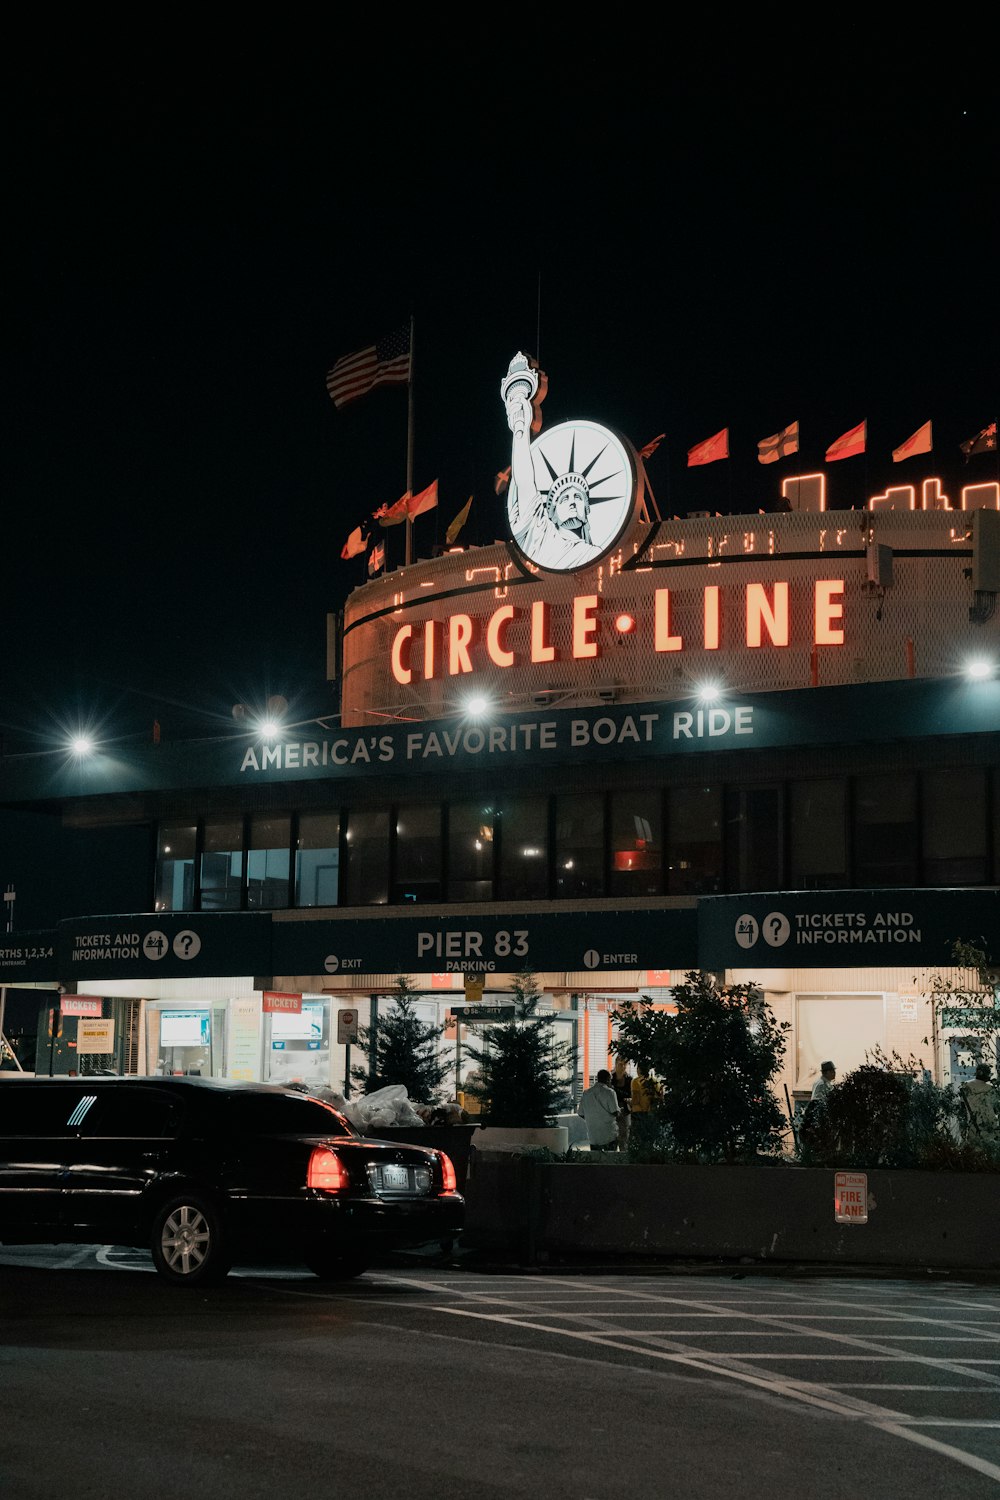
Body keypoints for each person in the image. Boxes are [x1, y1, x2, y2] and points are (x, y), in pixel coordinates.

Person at [505, 389, 602, 570]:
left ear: (587, 508)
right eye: (564, 498)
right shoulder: (540, 537)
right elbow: (524, 481)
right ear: (552, 513)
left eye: (578, 497)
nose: (572, 502)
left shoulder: (595, 553)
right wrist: (520, 430)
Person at [577, 1068, 620, 1152]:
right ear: (608, 1080)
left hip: (593, 1135)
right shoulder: (610, 1092)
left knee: (596, 1159)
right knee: (610, 1159)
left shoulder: (586, 1093)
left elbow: (581, 1113)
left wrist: (593, 1118)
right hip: (609, 1134)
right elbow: (615, 1112)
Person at [960, 1063, 999, 1143]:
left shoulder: (965, 1087)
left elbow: (962, 1108)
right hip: (989, 1125)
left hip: (973, 1125)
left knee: (975, 1151)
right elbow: (996, 1109)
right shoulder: (990, 1089)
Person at [610, 1056, 633, 1150]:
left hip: (625, 1111)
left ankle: (623, 1155)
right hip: (612, 1111)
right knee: (612, 1136)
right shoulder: (610, 1078)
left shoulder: (629, 1079)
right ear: (615, 1065)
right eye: (620, 1064)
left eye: (625, 1064)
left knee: (624, 1136)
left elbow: (632, 1095)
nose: (623, 1067)